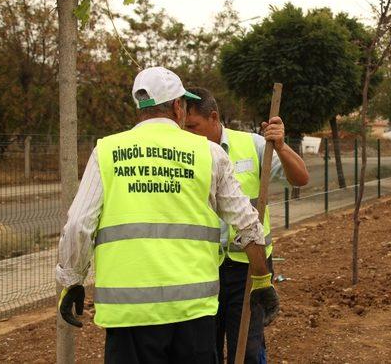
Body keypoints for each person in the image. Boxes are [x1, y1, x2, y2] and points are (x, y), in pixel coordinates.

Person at [56, 67, 280, 364]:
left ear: (140, 107)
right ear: (178, 106)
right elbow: (248, 223)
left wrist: (72, 280)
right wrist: (262, 279)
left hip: (129, 315)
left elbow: (78, 226)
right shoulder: (209, 153)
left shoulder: (107, 151)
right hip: (192, 312)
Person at [184, 87, 308, 364]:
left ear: (213, 118)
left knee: (248, 349)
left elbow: (300, 178)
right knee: (205, 348)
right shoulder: (184, 155)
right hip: (202, 267)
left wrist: (281, 145)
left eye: (193, 126)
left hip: (250, 267)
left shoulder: (252, 145)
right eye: (184, 127)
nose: (188, 134)